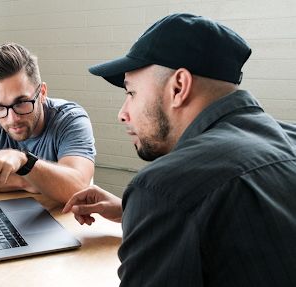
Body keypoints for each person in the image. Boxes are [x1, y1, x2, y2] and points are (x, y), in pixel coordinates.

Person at [63, 13, 296, 286]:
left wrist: (157, 203)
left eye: (131, 92)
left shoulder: (164, 187)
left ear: (179, 87)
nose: (123, 114)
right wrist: (134, 212)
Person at [0, 43, 96, 203]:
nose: (12, 118)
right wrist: (24, 180)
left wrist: (23, 161)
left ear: (42, 93)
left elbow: (79, 189)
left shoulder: (70, 119)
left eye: (21, 103)